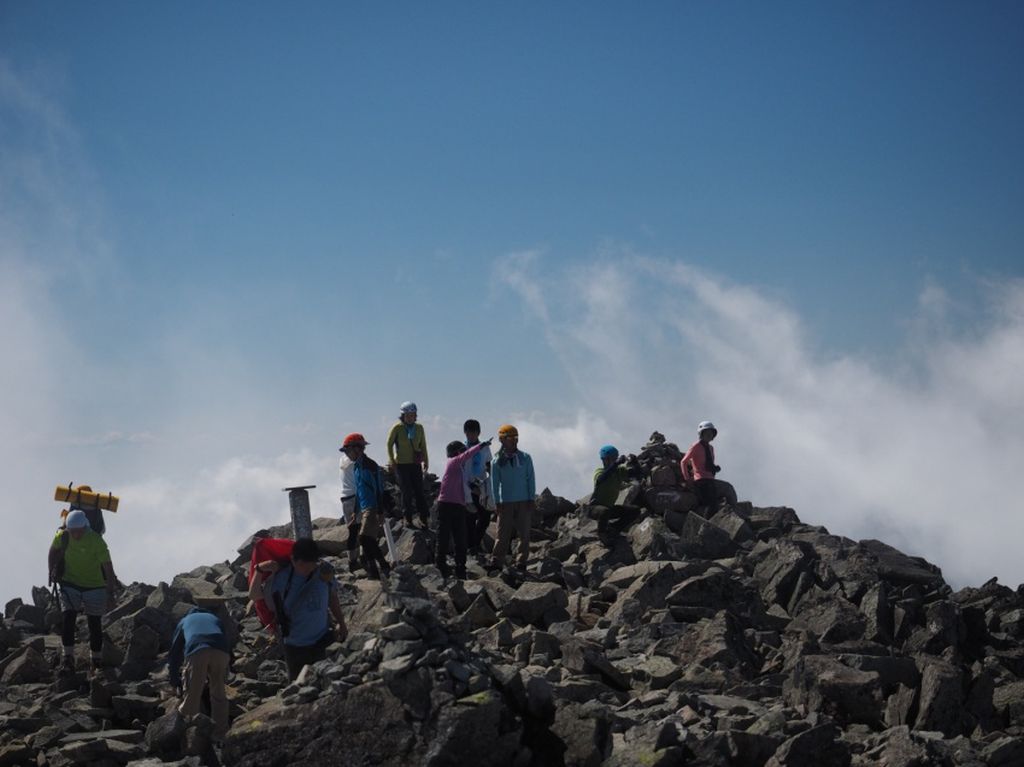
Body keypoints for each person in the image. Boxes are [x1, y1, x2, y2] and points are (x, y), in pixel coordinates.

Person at [249, 538, 348, 681]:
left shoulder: (324, 572)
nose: (306, 569)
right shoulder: (281, 579)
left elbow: (332, 598)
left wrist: (342, 623)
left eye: (310, 565)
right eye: (301, 565)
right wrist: (258, 570)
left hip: (324, 639)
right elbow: (255, 595)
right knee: (300, 691)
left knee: (334, 682)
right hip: (295, 647)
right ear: (292, 559)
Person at [47, 510, 120, 673]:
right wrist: (50, 571)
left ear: (85, 527)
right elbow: (52, 551)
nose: (75, 535)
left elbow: (108, 566)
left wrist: (110, 592)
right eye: (72, 531)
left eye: (78, 531)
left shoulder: (96, 540)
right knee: (68, 618)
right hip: (70, 582)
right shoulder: (63, 535)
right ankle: (68, 658)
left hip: (94, 585)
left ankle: (96, 659)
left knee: (94, 623)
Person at [167, 607, 234, 740]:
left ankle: (188, 733)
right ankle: (220, 734)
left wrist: (174, 680)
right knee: (218, 693)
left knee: (193, 693)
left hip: (197, 650)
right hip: (221, 651)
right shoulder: (215, 619)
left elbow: (174, 654)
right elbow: (226, 641)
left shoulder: (184, 620)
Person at [436, 437, 493, 579]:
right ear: (455, 453)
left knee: (460, 538)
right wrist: (482, 445)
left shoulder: (459, 469)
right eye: (461, 451)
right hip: (446, 505)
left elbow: (466, 487)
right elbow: (467, 455)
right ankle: (441, 565)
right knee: (444, 537)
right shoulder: (453, 463)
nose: (464, 453)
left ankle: (460, 567)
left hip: (458, 506)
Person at [341, 433, 392, 580]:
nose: (347, 455)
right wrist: (354, 512)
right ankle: (383, 566)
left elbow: (378, 490)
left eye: (347, 451)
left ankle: (374, 571)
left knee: (364, 537)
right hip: (363, 508)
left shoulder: (369, 466)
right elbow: (358, 491)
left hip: (373, 507)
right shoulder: (356, 467)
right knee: (367, 539)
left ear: (357, 449)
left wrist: (380, 512)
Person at [489, 424, 536, 571]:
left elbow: (531, 479)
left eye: (516, 437)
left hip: (523, 500)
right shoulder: (496, 462)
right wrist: (497, 501)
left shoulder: (525, 458)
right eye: (511, 438)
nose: (515, 441)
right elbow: (494, 484)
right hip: (506, 502)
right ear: (502, 440)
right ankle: (496, 561)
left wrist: (531, 498)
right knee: (502, 533)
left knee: (524, 533)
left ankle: (521, 562)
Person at [386, 401, 431, 528]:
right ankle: (408, 518)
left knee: (419, 491)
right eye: (408, 415)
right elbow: (389, 444)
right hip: (401, 465)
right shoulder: (397, 428)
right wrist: (392, 461)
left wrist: (426, 461)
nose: (411, 417)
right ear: (403, 415)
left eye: (413, 415)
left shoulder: (419, 428)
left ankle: (424, 518)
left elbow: (423, 446)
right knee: (406, 491)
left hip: (415, 464)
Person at [591, 445, 643, 535]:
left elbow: (636, 474)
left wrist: (635, 463)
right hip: (594, 509)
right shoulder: (599, 471)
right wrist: (616, 464)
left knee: (635, 510)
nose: (614, 460)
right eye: (612, 458)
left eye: (615, 458)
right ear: (604, 460)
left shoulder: (618, 472)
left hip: (609, 508)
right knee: (604, 511)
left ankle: (614, 529)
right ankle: (602, 535)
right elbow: (601, 479)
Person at [463, 419, 494, 555]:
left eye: (474, 432)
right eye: (468, 432)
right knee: (470, 517)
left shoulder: (485, 447)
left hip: (482, 486)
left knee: (485, 517)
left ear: (479, 432)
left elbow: (489, 464)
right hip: (467, 486)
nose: (471, 435)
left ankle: (475, 542)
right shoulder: (462, 448)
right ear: (465, 433)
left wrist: (491, 481)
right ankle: (472, 546)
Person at [680, 420, 722, 517]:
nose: (710, 435)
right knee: (710, 504)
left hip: (710, 479)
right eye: (707, 433)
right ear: (701, 433)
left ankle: (708, 524)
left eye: (711, 433)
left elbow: (709, 463)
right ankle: (704, 525)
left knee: (715, 504)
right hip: (700, 480)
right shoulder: (696, 446)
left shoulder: (711, 448)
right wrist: (687, 478)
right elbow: (683, 461)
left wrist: (715, 468)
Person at [338, 442, 360, 572]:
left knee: (352, 531)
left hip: (345, 498)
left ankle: (352, 561)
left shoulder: (342, 460)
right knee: (359, 530)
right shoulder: (355, 462)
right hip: (355, 497)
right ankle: (357, 560)